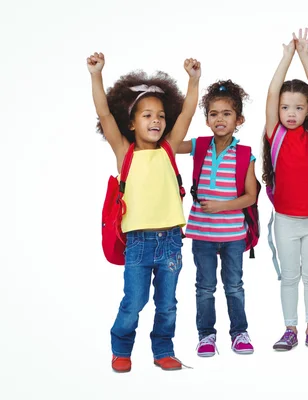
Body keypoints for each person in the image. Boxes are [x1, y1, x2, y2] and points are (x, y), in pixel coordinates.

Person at [88, 52, 200, 372]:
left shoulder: (168, 147)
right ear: (131, 122)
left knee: (167, 305)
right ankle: (121, 348)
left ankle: (163, 349)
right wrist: (97, 75)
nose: (156, 121)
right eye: (147, 115)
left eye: (160, 116)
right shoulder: (125, 152)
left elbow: (189, 114)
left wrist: (193, 80)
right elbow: (103, 114)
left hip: (171, 242)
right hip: (137, 241)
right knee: (134, 302)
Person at [263, 29, 308, 351]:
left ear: (307, 112)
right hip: (286, 221)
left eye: (298, 108)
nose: (291, 113)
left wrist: (305, 53)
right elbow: (271, 91)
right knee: (290, 276)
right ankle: (289, 329)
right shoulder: (274, 133)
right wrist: (286, 56)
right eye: (285, 107)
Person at [179, 80, 257, 357]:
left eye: (227, 113)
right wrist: (191, 86)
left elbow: (251, 196)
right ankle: (206, 335)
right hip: (201, 236)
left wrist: (223, 206)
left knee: (234, 286)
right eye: (214, 113)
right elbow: (171, 143)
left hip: (234, 235)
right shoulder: (199, 146)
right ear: (206, 119)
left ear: (239, 119)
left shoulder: (245, 154)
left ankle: (239, 333)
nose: (220, 119)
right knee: (205, 287)